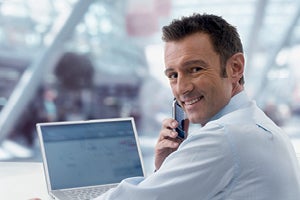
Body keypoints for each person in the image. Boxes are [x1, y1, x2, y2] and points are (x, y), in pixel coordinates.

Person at [31, 13, 300, 200]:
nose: (182, 88)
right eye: (172, 75)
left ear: (235, 67)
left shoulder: (224, 138)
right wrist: (167, 169)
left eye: (194, 69)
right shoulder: (258, 124)